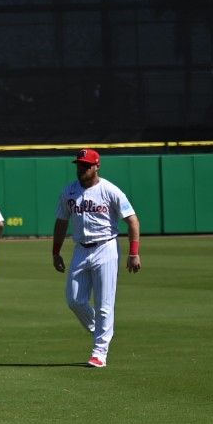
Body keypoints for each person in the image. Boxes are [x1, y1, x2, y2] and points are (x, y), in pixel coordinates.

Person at [52, 149, 142, 368]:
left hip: (106, 247)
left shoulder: (110, 190)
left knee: (104, 304)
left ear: (96, 166)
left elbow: (132, 220)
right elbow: (61, 222)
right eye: (79, 165)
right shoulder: (69, 192)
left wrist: (134, 252)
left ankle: (99, 352)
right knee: (74, 300)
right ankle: (101, 330)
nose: (81, 168)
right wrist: (56, 252)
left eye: (85, 165)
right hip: (80, 248)